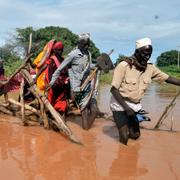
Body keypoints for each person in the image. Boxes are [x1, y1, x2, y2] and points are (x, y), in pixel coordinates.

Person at [110, 37, 180, 145]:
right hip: (119, 103)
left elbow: (168, 78)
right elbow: (114, 90)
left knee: (135, 135)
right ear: (137, 51)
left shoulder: (150, 68)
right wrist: (127, 108)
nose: (147, 57)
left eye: (149, 54)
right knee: (124, 136)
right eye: (144, 54)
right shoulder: (124, 66)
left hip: (135, 105)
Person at [48, 33, 99, 130]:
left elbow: (88, 67)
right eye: (83, 45)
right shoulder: (73, 55)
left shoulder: (88, 54)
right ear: (79, 43)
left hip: (87, 85)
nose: (85, 47)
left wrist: (97, 66)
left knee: (94, 110)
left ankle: (87, 133)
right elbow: (59, 70)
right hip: (77, 88)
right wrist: (51, 83)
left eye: (87, 45)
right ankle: (86, 133)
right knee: (84, 112)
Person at [33, 41, 69, 115]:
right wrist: (36, 78)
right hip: (53, 85)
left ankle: (57, 116)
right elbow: (43, 68)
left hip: (61, 86)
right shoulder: (52, 60)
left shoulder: (63, 60)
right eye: (59, 50)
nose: (60, 52)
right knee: (50, 103)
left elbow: (67, 71)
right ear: (54, 50)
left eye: (61, 50)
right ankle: (48, 116)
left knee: (61, 105)